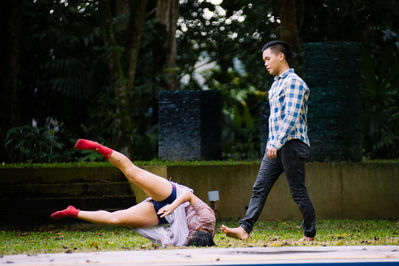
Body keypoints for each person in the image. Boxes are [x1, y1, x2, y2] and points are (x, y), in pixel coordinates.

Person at [221, 40, 316, 242]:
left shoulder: (294, 82)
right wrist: (271, 145)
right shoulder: (275, 85)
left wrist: (276, 142)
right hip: (275, 146)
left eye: (267, 58)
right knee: (259, 187)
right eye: (264, 60)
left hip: (291, 144)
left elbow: (291, 115)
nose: (265, 63)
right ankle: (244, 229)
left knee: (298, 191)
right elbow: (275, 119)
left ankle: (309, 234)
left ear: (280, 56)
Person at [51, 139, 216, 247]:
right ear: (202, 230)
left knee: (117, 219)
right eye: (192, 233)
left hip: (163, 214)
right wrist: (172, 206)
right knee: (133, 174)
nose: (189, 234)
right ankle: (98, 147)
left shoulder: (190, 242)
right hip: (173, 196)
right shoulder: (207, 218)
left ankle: (74, 212)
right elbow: (189, 196)